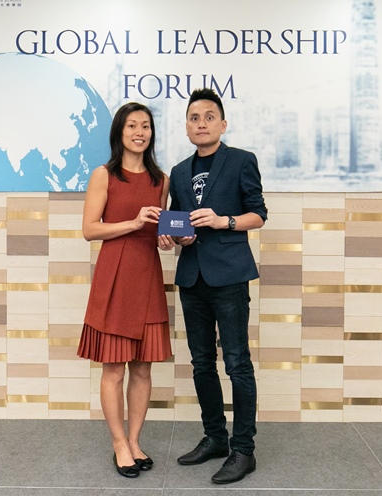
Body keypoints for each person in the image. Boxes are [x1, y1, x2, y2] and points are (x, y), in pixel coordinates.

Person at [158, 88, 268, 484]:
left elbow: (258, 214)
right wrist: (173, 237)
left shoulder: (241, 160)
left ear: (222, 124)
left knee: (237, 363)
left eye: (208, 117)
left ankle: (243, 450)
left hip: (230, 276)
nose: (201, 123)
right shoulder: (179, 172)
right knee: (201, 362)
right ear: (186, 127)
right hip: (192, 276)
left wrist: (225, 221)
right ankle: (215, 438)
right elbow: (177, 222)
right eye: (194, 118)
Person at [77, 102, 173, 479]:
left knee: (143, 369)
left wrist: (166, 239)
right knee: (114, 368)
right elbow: (90, 229)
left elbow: (158, 229)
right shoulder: (104, 175)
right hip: (115, 274)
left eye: (145, 126)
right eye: (132, 125)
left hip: (147, 274)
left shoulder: (161, 179)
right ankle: (118, 443)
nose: (139, 132)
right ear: (119, 131)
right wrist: (132, 223)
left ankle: (134, 441)